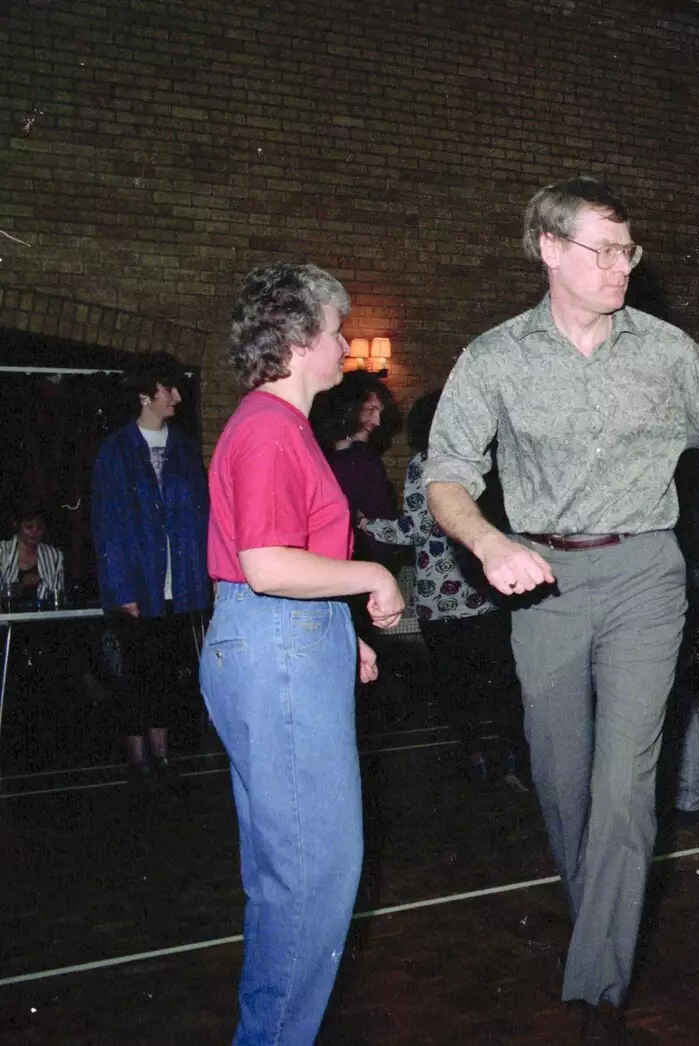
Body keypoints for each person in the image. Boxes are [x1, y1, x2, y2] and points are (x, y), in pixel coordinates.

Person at [422, 176, 699, 1041]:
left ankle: (597, 985)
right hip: (543, 583)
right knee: (559, 775)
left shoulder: (667, 350)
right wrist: (491, 542)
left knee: (625, 785)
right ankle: (600, 925)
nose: (621, 267)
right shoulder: (494, 356)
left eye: (628, 250)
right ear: (548, 249)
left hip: (648, 574)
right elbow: (447, 477)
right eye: (602, 250)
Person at [202, 262, 404, 1045]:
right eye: (336, 329)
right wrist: (373, 575)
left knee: (295, 875)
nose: (347, 345)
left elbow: (288, 560)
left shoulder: (285, 428)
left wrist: (338, 630)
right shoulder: (266, 427)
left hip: (287, 640)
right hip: (274, 642)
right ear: (297, 339)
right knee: (313, 878)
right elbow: (266, 563)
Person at [359, 390, 525, 791]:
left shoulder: (424, 465)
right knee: (501, 683)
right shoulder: (485, 462)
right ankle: (514, 763)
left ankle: (475, 760)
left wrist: (366, 525)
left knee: (456, 686)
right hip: (486, 593)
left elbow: (417, 529)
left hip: (441, 600)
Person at [90, 352, 210, 795]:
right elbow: (107, 525)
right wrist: (122, 589)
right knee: (135, 675)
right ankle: (137, 758)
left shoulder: (183, 448)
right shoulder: (115, 451)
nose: (177, 396)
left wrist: (203, 575)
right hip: (136, 586)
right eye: (168, 389)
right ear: (146, 395)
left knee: (169, 672)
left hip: (179, 586)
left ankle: (163, 754)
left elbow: (200, 515)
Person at [313, 372, 397, 561]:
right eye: (371, 410)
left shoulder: (361, 457)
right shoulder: (329, 453)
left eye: (379, 413)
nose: (377, 421)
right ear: (349, 408)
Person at [0, 508, 66, 604]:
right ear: (17, 525)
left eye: (40, 528)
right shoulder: (2, 552)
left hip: (44, 617)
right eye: (29, 527)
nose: (34, 532)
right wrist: (20, 586)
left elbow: (59, 597)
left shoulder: (55, 556)